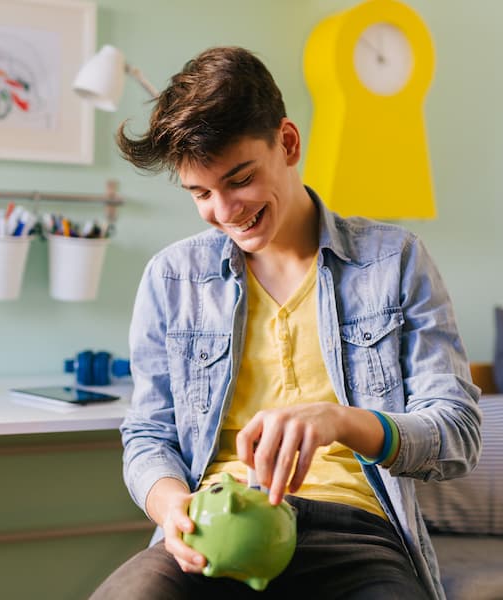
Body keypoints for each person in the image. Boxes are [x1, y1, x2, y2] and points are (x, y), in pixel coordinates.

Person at [92, 46, 481, 600]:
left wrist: (342, 422)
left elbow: (457, 435)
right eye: (201, 194)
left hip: (356, 535)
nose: (225, 211)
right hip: (212, 527)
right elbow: (149, 434)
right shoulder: (172, 278)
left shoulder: (394, 260)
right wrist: (170, 505)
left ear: (289, 143)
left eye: (240, 179)